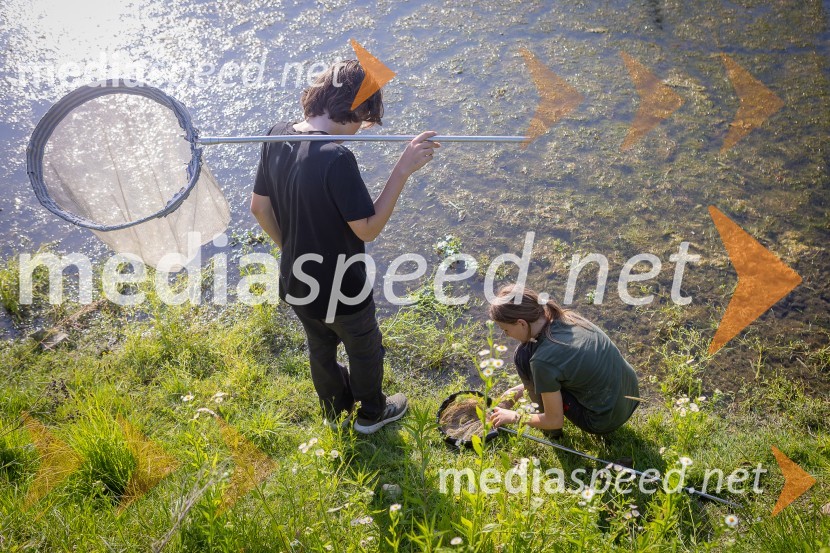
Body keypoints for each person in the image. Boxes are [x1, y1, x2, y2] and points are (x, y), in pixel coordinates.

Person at [250, 59, 440, 434]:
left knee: (320, 347)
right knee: (364, 348)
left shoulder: (276, 134)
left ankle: (334, 411)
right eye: (365, 119)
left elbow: (258, 207)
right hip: (343, 286)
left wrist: (291, 249)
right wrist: (401, 170)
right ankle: (372, 413)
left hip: (297, 280)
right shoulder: (336, 157)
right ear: (355, 109)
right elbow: (367, 229)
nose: (361, 130)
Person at [487, 285, 640, 438]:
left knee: (522, 357)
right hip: (630, 394)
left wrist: (513, 416)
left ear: (521, 323)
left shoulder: (542, 361)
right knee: (526, 353)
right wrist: (519, 390)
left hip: (603, 420)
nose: (505, 335)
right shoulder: (567, 316)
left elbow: (555, 420)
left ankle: (551, 434)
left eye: (505, 330)